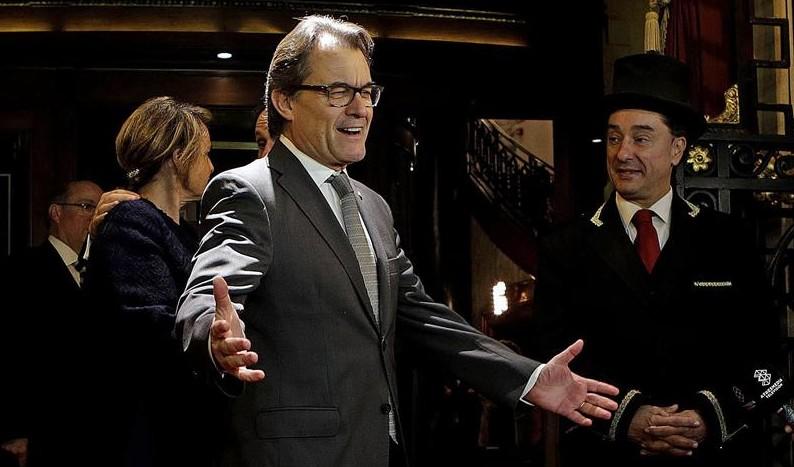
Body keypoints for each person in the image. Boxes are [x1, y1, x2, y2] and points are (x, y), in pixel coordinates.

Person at [175, 15, 619, 467]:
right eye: (338, 91)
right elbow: (205, 297)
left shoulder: (373, 206)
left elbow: (423, 317)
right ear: (285, 101)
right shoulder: (250, 191)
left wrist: (529, 379)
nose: (360, 108)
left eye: (366, 91)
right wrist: (214, 339)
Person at [533, 53, 780, 467]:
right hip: (606, 457)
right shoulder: (565, 247)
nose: (622, 153)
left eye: (641, 138)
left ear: (677, 148)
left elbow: (765, 359)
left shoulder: (728, 240)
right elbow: (552, 357)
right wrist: (628, 418)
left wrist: (708, 417)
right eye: (614, 138)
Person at [83, 96, 218, 467]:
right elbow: (151, 326)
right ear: (178, 156)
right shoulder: (132, 219)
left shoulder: (184, 232)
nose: (211, 165)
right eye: (205, 153)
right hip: (145, 433)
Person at [0, 180, 102, 467]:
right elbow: (9, 353)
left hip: (96, 434)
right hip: (43, 433)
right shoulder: (21, 269)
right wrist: (14, 429)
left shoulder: (105, 272)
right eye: (86, 207)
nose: (95, 218)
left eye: (100, 210)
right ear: (56, 213)